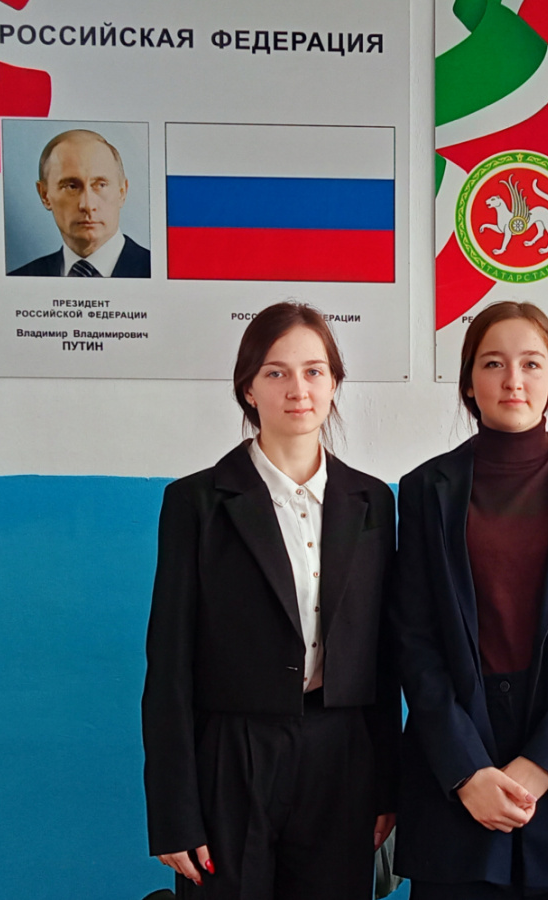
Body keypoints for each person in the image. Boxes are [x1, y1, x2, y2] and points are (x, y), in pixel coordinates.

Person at [141, 302, 398, 898]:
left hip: (340, 754)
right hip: (233, 754)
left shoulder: (372, 503)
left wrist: (386, 785)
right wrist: (174, 812)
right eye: (276, 372)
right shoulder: (196, 503)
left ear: (333, 384)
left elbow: (384, 660)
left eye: (313, 371)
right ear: (249, 389)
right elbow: (169, 666)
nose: (297, 389)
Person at [391, 301, 548, 900]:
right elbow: (413, 640)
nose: (513, 380)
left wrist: (543, 763)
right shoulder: (425, 489)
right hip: (457, 773)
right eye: (493, 363)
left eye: (531, 363)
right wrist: (466, 770)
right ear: (468, 383)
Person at [9, 128, 151, 277]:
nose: (88, 205)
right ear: (44, 195)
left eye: (101, 185)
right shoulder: (18, 280)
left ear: (122, 192)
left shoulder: (159, 271)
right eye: (71, 187)